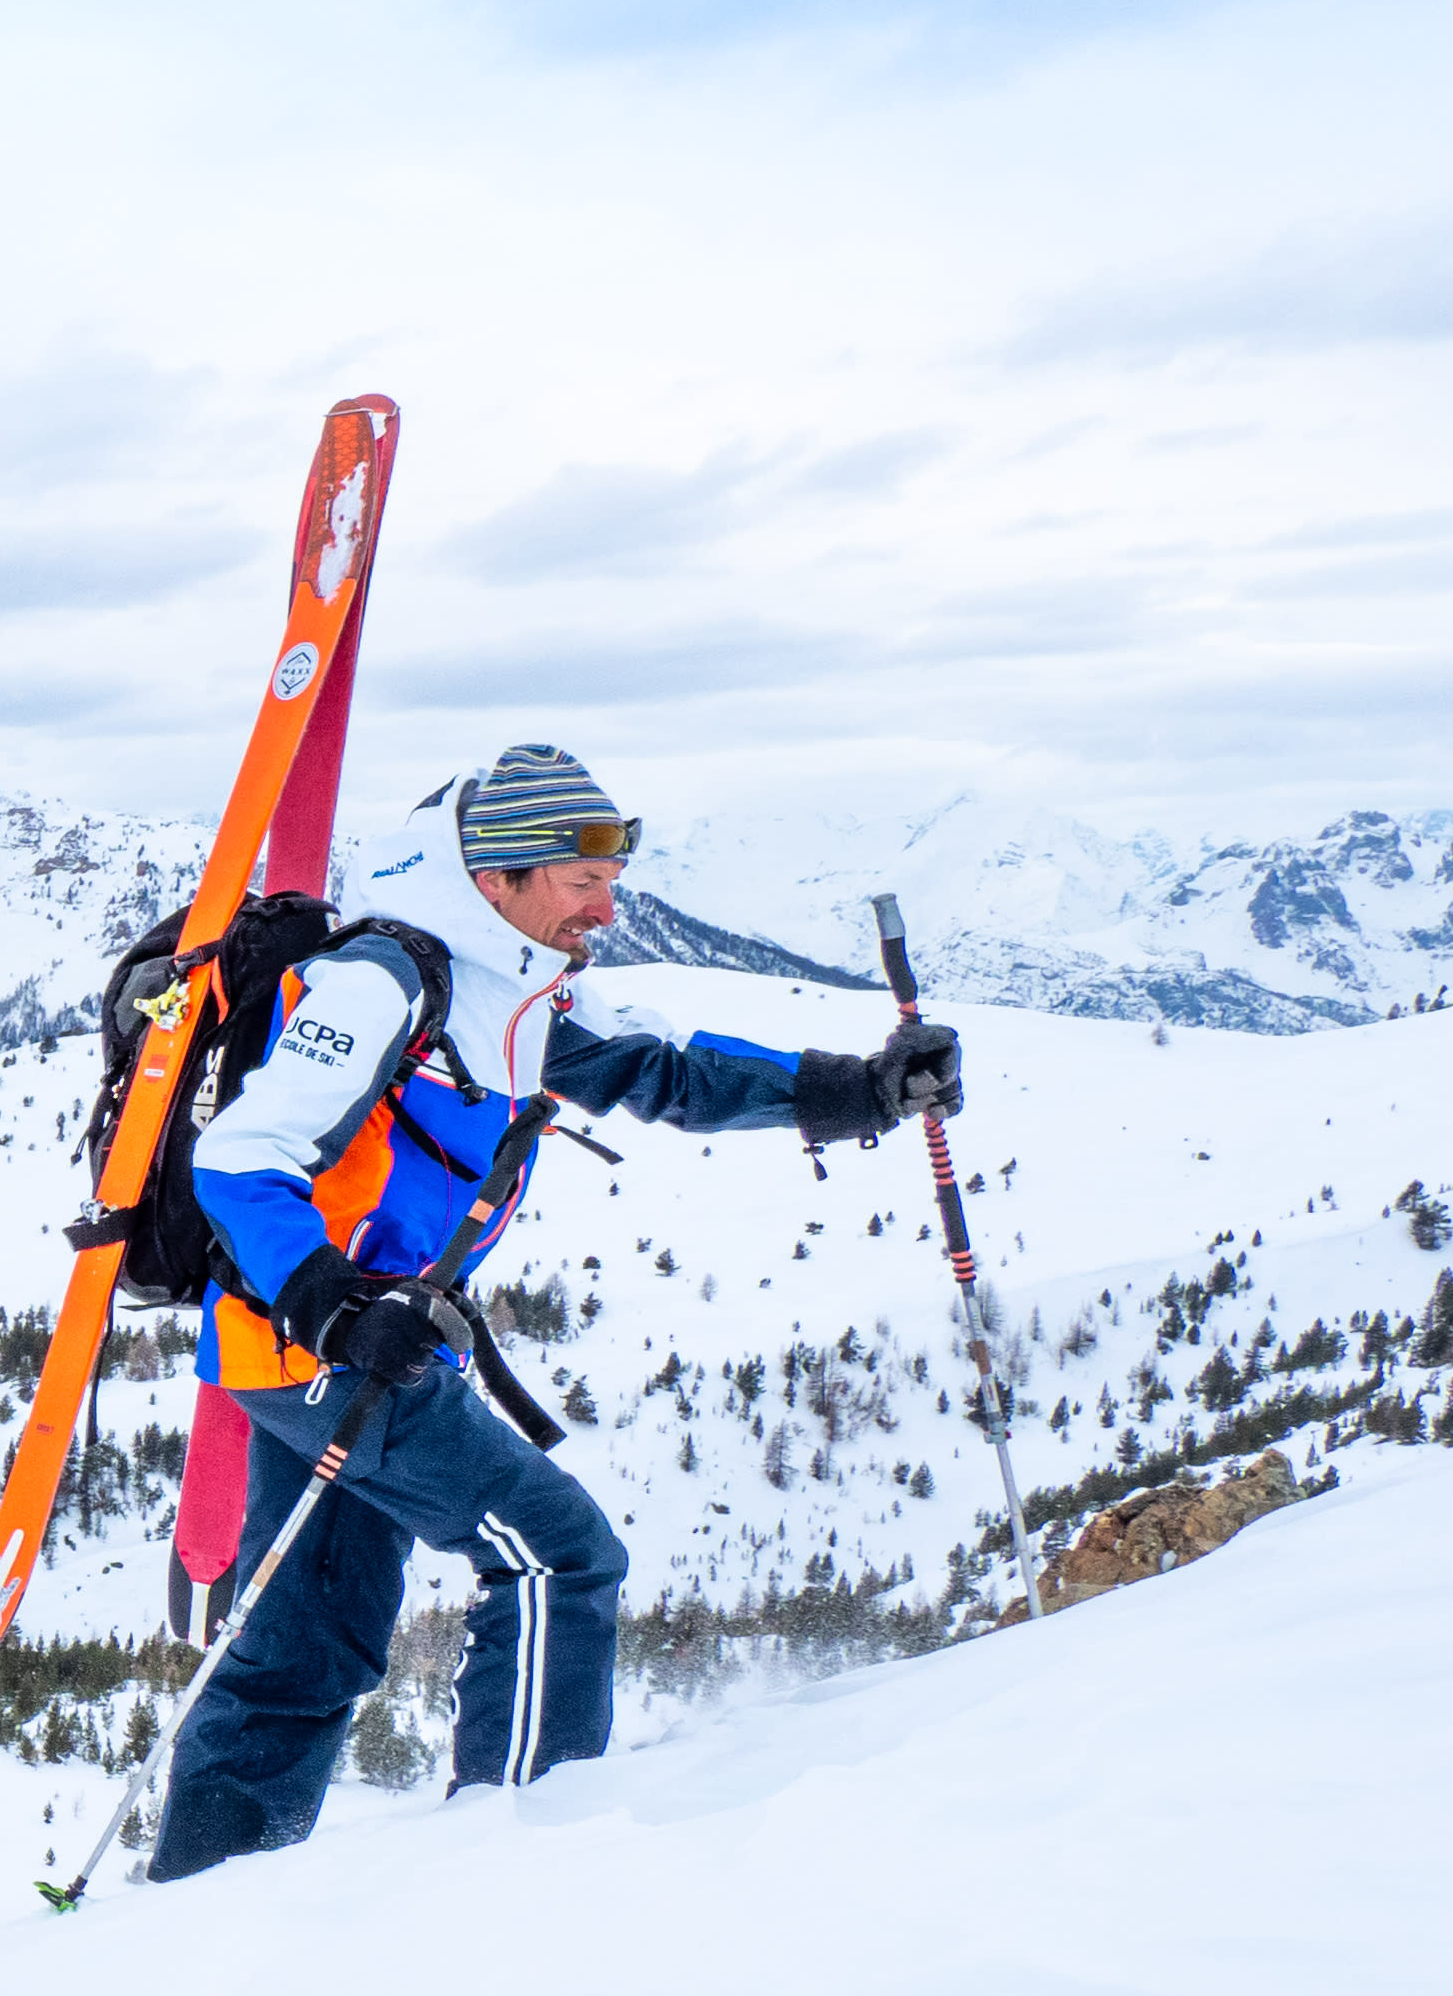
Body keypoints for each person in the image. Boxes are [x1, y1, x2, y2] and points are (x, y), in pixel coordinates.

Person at [151, 738, 964, 1878]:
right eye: (583, 881)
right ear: (501, 881)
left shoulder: (503, 988)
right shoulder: (386, 981)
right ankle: (521, 1869)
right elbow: (238, 1158)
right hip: (337, 1348)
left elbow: (661, 1073)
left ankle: (202, 1896)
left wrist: (858, 1088)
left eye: (612, 875)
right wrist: (334, 1308)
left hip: (308, 1352)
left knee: (301, 1649)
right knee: (556, 1560)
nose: (608, 903)